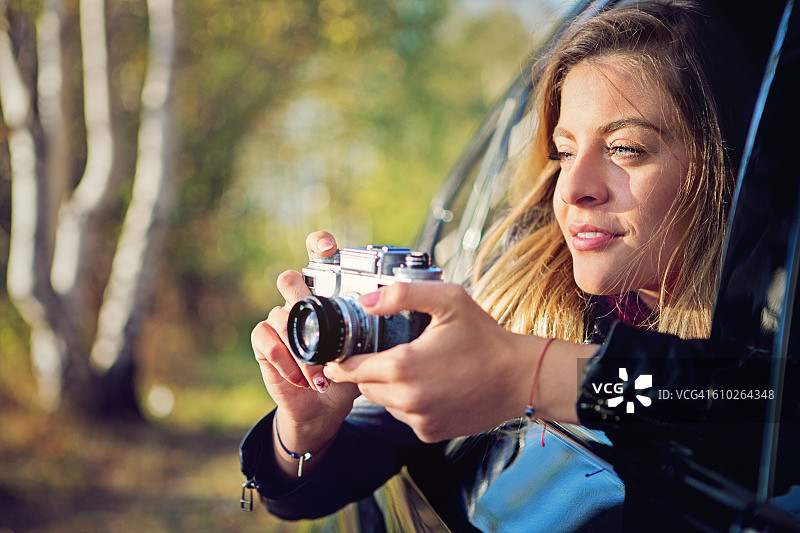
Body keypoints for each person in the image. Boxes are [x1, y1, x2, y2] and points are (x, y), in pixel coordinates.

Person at [241, 1, 748, 530]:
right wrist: (301, 433)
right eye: (564, 153)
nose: (573, 189)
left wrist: (528, 373)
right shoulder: (511, 305)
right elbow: (310, 487)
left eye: (624, 148)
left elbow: (760, 401)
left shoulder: (770, 335)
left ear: (723, 166)